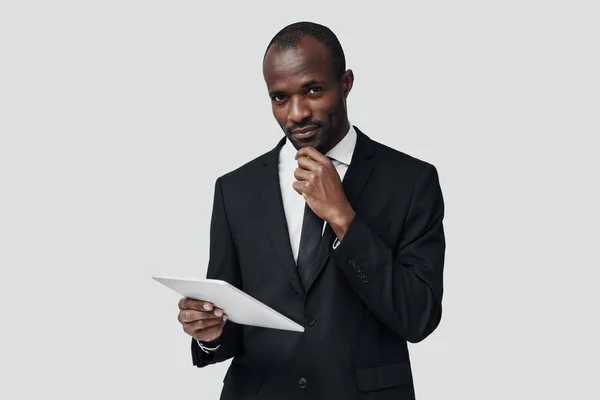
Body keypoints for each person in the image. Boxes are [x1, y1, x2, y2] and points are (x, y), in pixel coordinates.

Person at [177, 21, 445, 400]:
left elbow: (418, 317)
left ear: (346, 82)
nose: (297, 113)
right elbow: (230, 317)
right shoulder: (234, 190)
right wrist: (209, 332)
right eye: (279, 98)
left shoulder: (411, 181)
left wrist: (343, 217)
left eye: (313, 90)